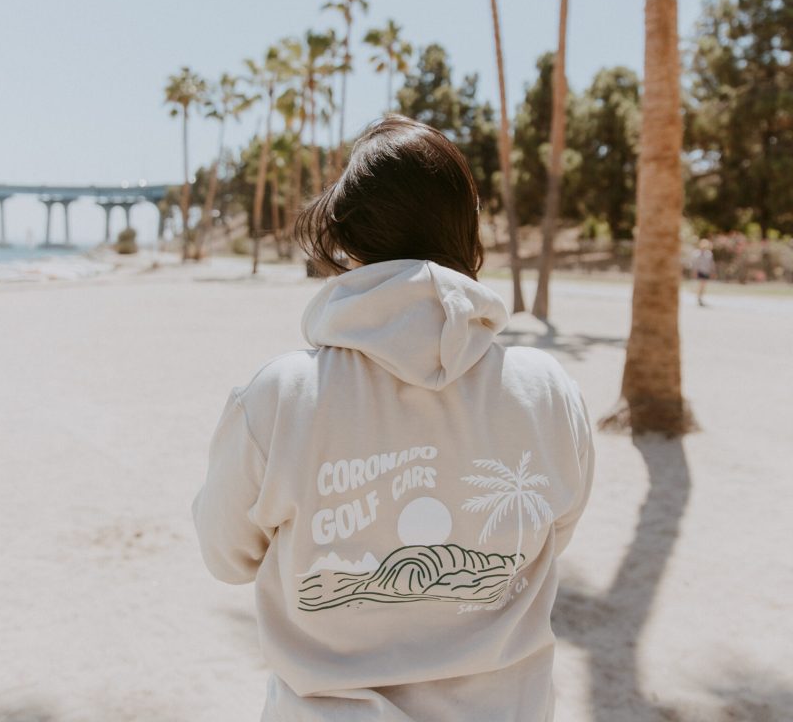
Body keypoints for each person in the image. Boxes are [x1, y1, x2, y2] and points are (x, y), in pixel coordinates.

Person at [192, 115, 595, 722]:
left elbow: (227, 558)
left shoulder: (278, 398)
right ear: (468, 231)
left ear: (349, 241)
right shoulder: (547, 393)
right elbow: (550, 534)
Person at [691, 238, 715, 306]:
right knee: (701, 284)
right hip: (700, 271)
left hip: (706, 271)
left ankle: (700, 297)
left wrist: (712, 272)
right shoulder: (697, 253)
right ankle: (699, 297)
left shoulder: (709, 254)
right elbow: (695, 264)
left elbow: (711, 264)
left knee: (703, 285)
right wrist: (694, 272)